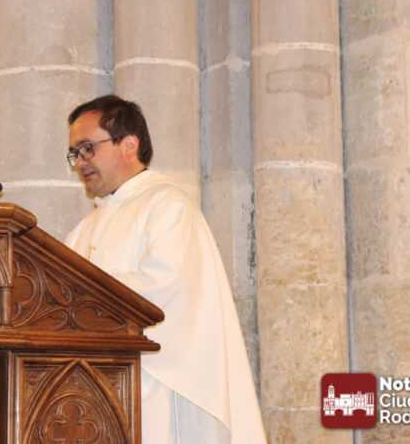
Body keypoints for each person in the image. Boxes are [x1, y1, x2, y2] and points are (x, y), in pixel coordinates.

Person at [65, 95, 267, 444]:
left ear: (129, 145)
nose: (80, 162)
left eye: (87, 148)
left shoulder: (167, 205)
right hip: (97, 389)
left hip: (156, 385)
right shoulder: (84, 229)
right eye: (74, 153)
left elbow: (165, 288)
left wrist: (80, 294)